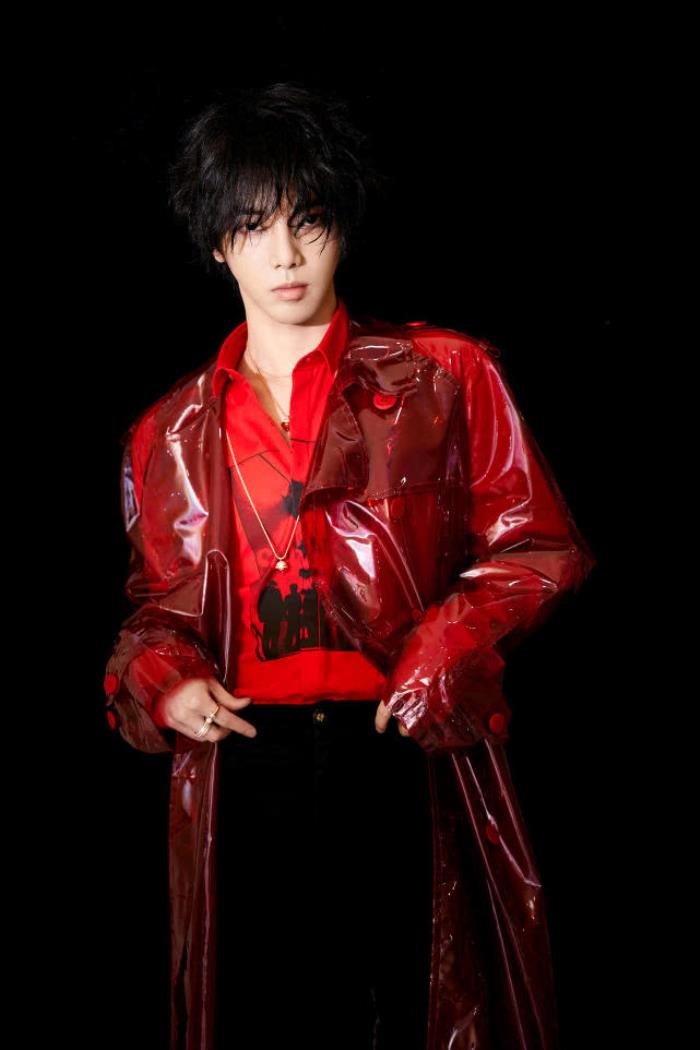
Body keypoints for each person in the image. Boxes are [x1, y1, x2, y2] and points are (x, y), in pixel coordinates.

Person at [104, 81, 596, 1050]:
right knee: (269, 1016)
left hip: (402, 749)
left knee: (426, 1010)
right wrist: (164, 681)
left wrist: (441, 650)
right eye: (252, 227)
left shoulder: (444, 375)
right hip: (249, 763)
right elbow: (158, 613)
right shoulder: (169, 433)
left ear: (342, 225)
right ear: (216, 245)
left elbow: (537, 545)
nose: (285, 255)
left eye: (308, 221)